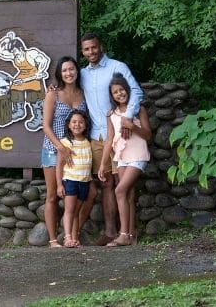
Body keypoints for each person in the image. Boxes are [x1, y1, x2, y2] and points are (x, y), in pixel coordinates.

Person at [79, 32, 143, 245]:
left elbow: (135, 90)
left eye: (94, 47)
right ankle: (111, 232)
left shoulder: (117, 66)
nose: (91, 52)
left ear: (100, 46)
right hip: (98, 135)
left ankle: (130, 233)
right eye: (86, 49)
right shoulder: (83, 74)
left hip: (121, 135)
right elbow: (67, 84)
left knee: (124, 185)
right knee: (106, 182)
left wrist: (127, 117)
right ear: (83, 51)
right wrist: (54, 88)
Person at [98, 73, 151, 246]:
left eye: (122, 90)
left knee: (119, 190)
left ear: (128, 90)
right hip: (121, 156)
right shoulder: (111, 114)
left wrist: (132, 126)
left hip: (138, 155)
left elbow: (148, 135)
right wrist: (103, 164)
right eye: (115, 92)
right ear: (112, 96)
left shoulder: (138, 109)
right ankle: (130, 235)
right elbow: (109, 139)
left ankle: (123, 234)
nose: (120, 94)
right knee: (127, 195)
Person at [41, 56, 87, 247]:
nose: (68, 73)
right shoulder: (53, 94)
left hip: (77, 153)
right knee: (52, 195)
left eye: (71, 69)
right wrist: (61, 147)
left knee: (82, 195)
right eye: (64, 70)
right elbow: (45, 125)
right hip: (53, 150)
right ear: (60, 74)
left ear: (77, 71)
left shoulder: (83, 94)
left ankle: (72, 234)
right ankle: (53, 240)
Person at [56, 110, 92, 248]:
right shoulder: (65, 143)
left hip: (84, 181)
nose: (78, 124)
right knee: (70, 210)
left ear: (86, 125)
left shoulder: (88, 142)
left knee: (76, 211)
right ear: (69, 125)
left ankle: (75, 238)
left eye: (81, 122)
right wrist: (59, 185)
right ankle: (67, 237)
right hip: (70, 180)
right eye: (74, 122)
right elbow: (59, 165)